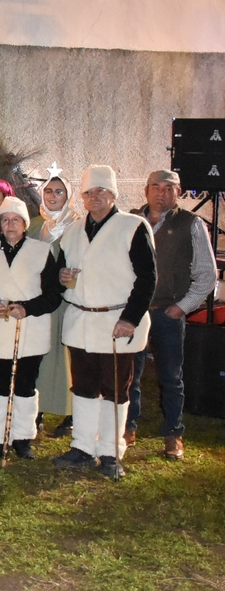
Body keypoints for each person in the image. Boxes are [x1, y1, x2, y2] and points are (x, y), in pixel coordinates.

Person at [54, 165, 156, 479]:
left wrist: (130, 319)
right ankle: (83, 447)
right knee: (83, 387)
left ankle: (111, 453)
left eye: (101, 191)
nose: (94, 197)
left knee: (115, 389)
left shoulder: (132, 226)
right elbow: (60, 276)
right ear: (82, 197)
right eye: (88, 192)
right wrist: (62, 277)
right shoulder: (72, 231)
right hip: (81, 321)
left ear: (113, 194)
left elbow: (148, 278)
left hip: (116, 320)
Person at [126, 170, 216, 460]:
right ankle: (128, 428)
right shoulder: (129, 221)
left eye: (169, 188)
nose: (162, 193)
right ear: (146, 190)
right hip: (133, 312)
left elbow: (207, 275)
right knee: (130, 375)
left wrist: (183, 307)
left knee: (171, 378)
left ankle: (173, 434)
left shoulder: (192, 224)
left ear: (179, 193)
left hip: (168, 312)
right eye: (156, 187)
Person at [0, 197, 64, 462]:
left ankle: (23, 437)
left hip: (30, 327)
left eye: (16, 220)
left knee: (25, 384)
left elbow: (54, 294)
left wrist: (28, 308)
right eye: (5, 220)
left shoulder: (42, 251)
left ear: (24, 224)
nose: (10, 225)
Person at [27, 173, 81, 436]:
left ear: (68, 196)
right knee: (40, 354)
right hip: (38, 299)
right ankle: (37, 408)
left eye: (59, 191)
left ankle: (70, 412)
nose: (53, 196)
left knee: (66, 356)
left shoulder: (78, 226)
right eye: (49, 191)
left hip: (66, 300)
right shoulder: (35, 225)